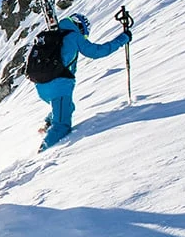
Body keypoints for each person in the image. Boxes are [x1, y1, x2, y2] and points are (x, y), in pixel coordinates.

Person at [36, 13, 132, 152]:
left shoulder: (50, 34)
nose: (84, 37)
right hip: (59, 84)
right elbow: (96, 52)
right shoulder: (74, 36)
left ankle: (48, 123)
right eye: (85, 34)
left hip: (41, 85)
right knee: (62, 125)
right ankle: (42, 156)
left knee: (67, 106)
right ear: (80, 27)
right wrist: (123, 38)